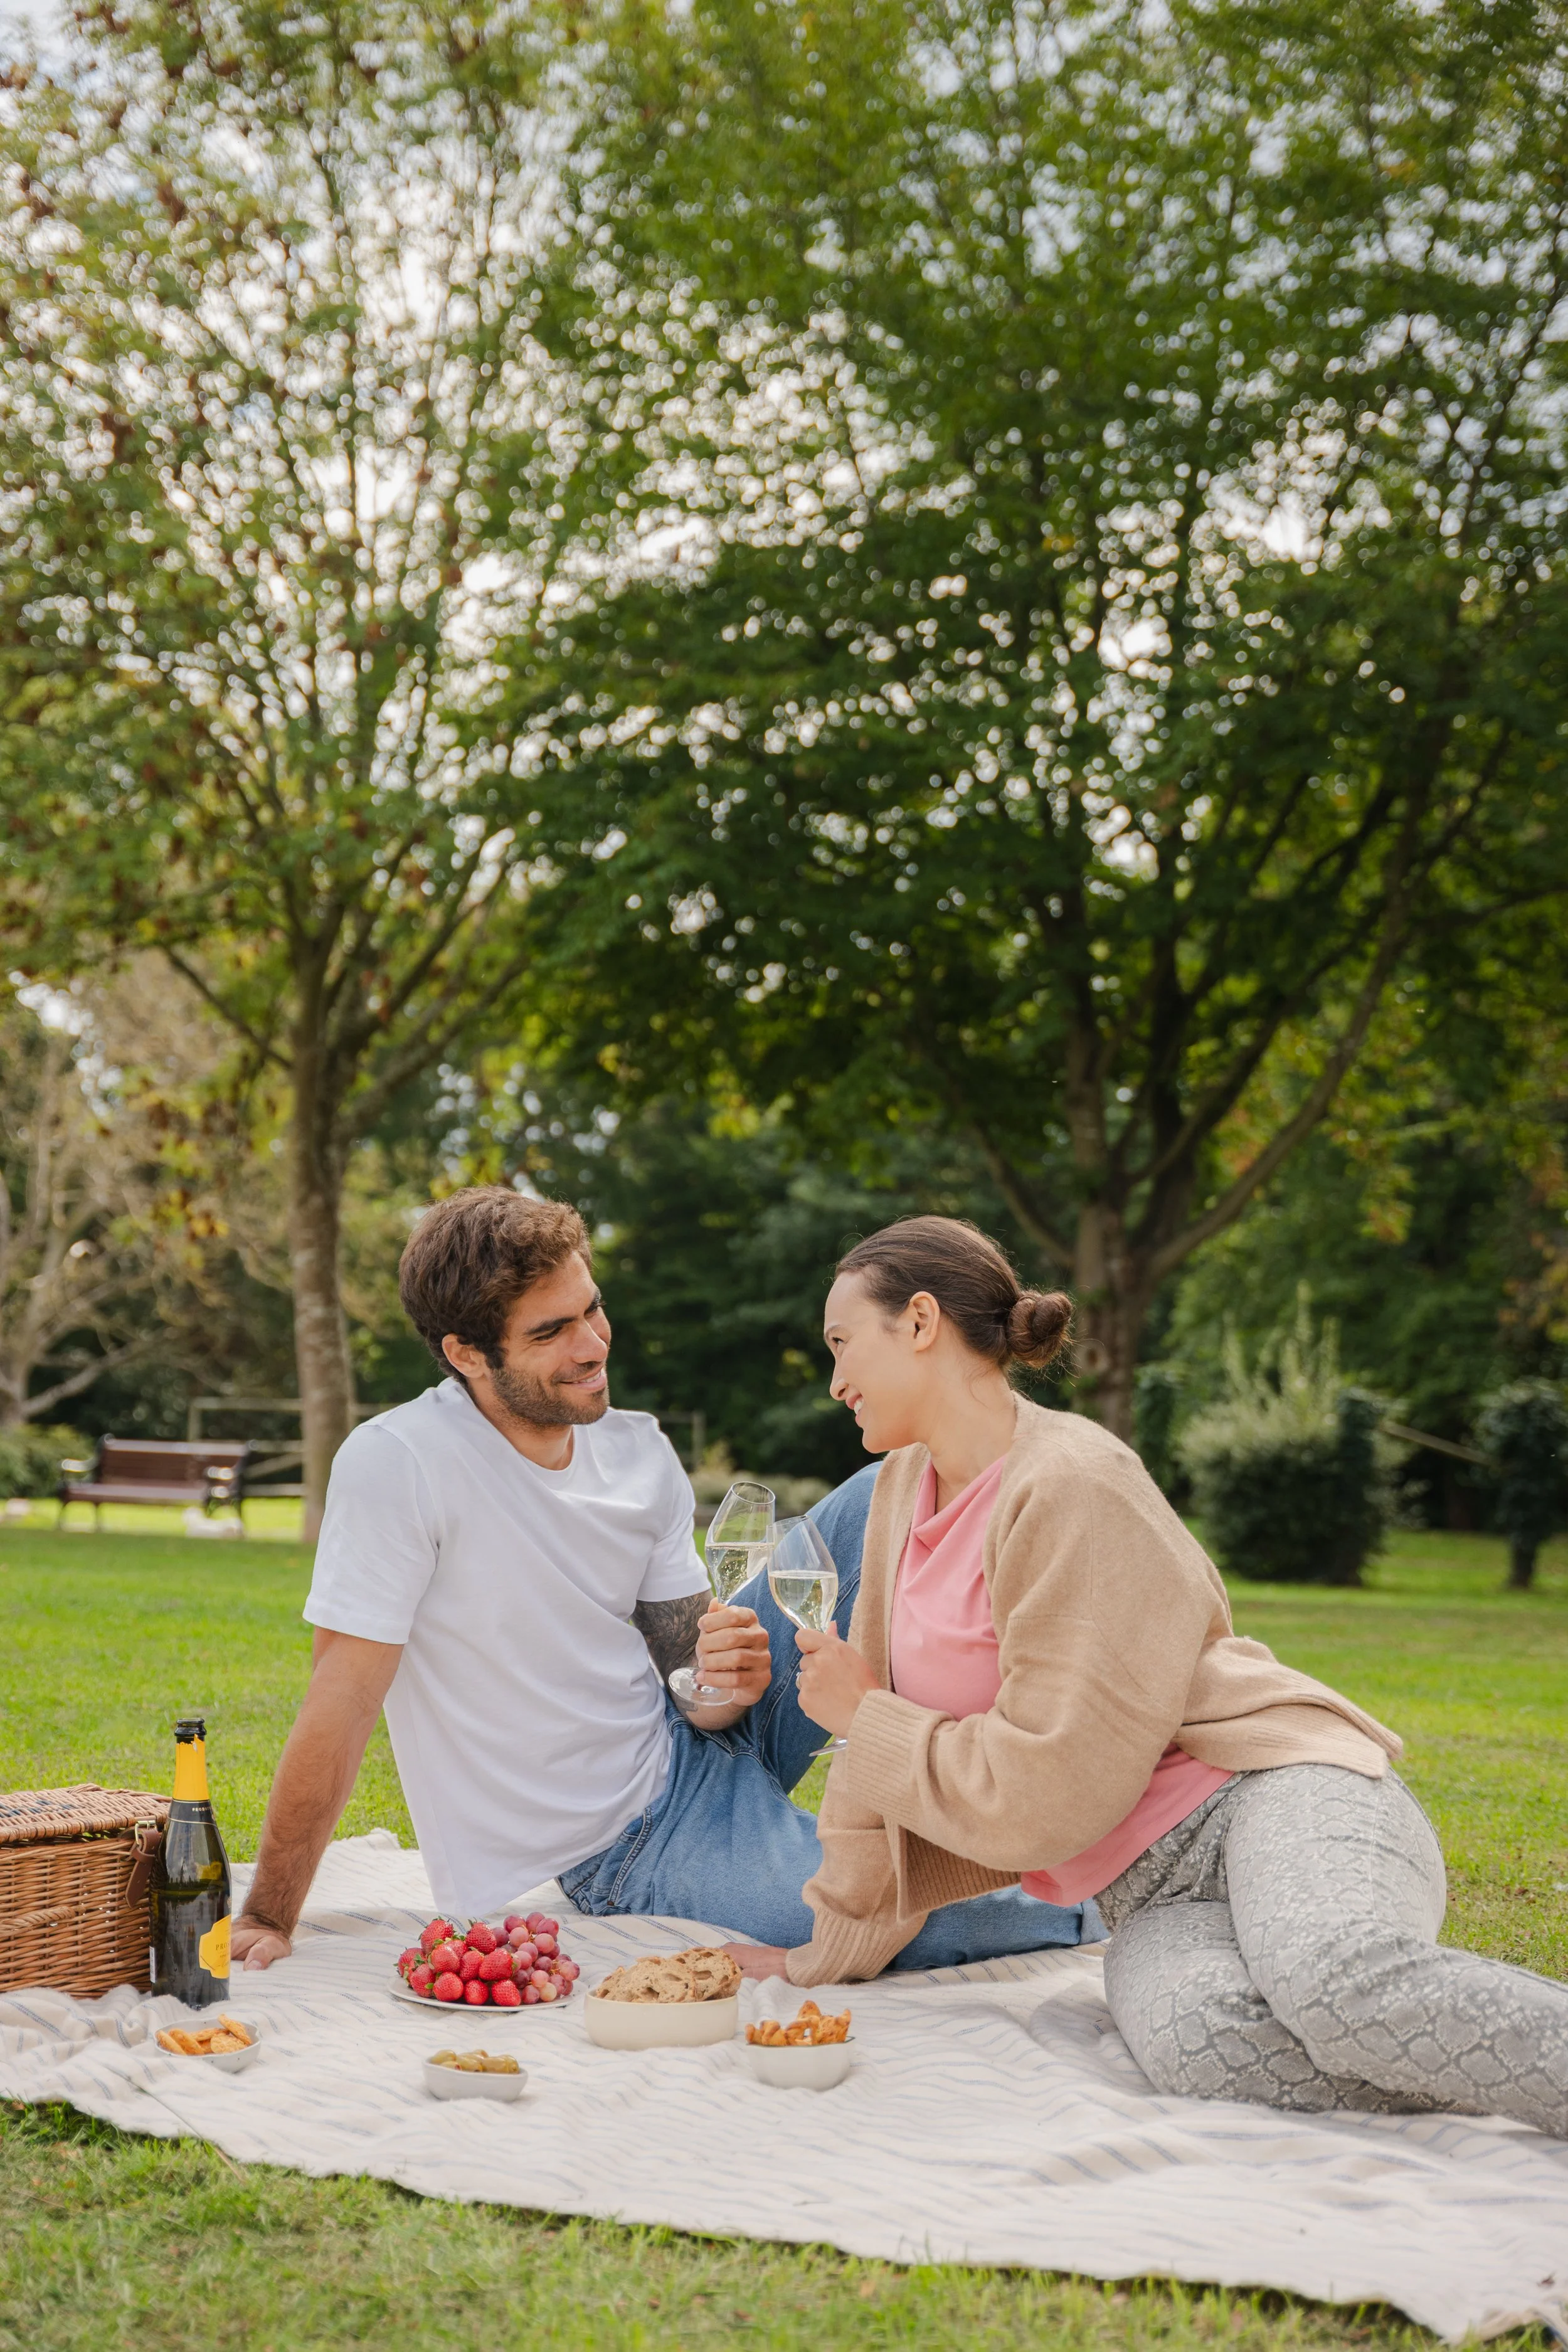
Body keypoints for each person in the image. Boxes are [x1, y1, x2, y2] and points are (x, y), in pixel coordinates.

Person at [726, 1214, 1568, 2136]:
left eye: (843, 1343)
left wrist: (868, 1717)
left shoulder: (1071, 1481)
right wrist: (823, 1954)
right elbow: (877, 1773)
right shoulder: (900, 1490)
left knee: (1331, 1984)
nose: (836, 1381)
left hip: (1266, 1795)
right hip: (1151, 1893)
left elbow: (1051, 1780)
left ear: (920, 1322)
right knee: (1199, 2045)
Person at [231, 1187, 1088, 1971]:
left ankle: (1068, 1721)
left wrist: (725, 1677)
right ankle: (1105, 1879)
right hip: (633, 1839)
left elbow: (694, 1683)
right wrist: (269, 1912)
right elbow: (341, 1700)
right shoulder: (401, 1464)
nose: (592, 1345)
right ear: (467, 1354)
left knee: (894, 1483)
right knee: (899, 1910)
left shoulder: (636, 1450)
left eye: (592, 1309)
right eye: (551, 1332)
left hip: (702, 1737)